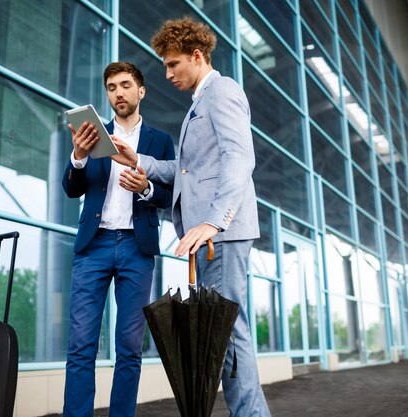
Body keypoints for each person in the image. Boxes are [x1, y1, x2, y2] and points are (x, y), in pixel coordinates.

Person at [111, 17, 271, 417]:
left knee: (228, 333)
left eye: (172, 64)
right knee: (229, 331)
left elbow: (240, 158)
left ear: (197, 56)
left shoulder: (222, 92)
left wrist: (214, 221)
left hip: (221, 234)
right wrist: (141, 161)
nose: (166, 74)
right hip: (212, 237)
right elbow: (187, 170)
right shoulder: (200, 103)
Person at [62, 61, 175, 417]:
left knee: (129, 347)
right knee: (81, 344)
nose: (118, 93)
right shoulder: (94, 135)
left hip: (136, 249)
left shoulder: (160, 141)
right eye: (111, 87)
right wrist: (78, 158)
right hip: (93, 246)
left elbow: (172, 197)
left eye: (125, 85)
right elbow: (71, 189)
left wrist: (147, 188)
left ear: (140, 91)